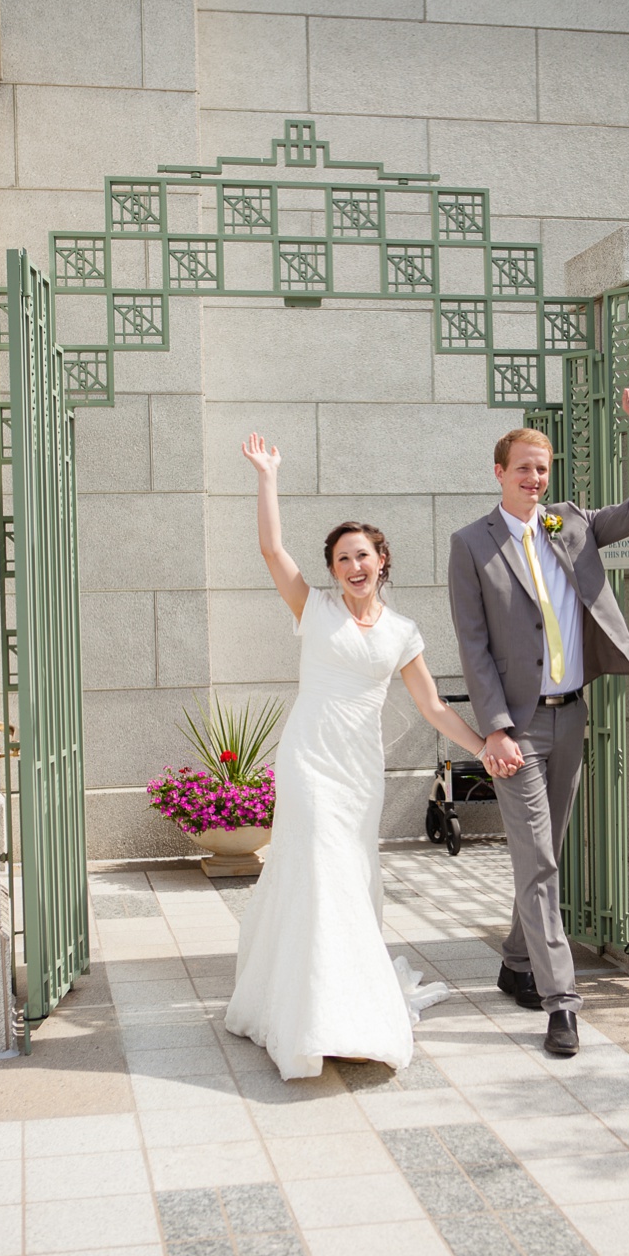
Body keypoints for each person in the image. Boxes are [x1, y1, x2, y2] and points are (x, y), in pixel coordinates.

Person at [223, 433, 485, 1080]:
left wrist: (485, 747)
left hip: (359, 772)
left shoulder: (402, 633)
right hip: (310, 762)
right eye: (342, 559)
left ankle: (349, 1006)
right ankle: (310, 1013)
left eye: (362, 555)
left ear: (382, 559)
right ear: (333, 569)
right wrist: (268, 476)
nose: (353, 566)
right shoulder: (313, 610)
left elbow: (432, 708)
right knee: (316, 869)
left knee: (348, 877)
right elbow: (270, 549)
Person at [447, 389, 629, 1059]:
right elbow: (473, 645)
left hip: (571, 719)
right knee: (538, 861)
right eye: (523, 469)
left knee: (549, 852)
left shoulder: (570, 523)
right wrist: (493, 728)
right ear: (499, 472)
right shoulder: (471, 546)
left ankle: (518, 961)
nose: (534, 479)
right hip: (514, 729)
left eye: (542, 469)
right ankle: (561, 1001)